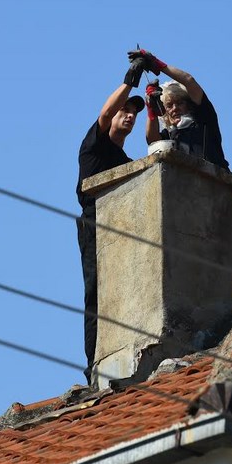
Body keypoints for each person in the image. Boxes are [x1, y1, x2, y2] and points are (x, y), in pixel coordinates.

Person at [129, 48, 232, 307]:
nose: (173, 109)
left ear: (189, 105)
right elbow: (151, 141)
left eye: (179, 103)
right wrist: (152, 109)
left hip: (220, 190)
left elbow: (190, 82)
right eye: (169, 105)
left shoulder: (205, 121)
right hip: (187, 197)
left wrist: (157, 64)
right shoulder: (170, 137)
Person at [76, 58, 145, 384]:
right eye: (126, 110)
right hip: (94, 223)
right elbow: (105, 113)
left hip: (118, 227)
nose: (130, 115)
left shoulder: (124, 162)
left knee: (122, 294)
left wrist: (155, 104)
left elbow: (154, 147)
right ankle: (94, 368)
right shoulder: (94, 144)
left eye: (135, 111)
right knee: (96, 296)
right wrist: (130, 80)